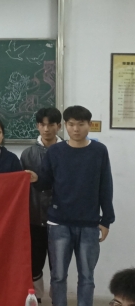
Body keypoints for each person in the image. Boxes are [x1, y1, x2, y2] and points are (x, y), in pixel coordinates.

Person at [32, 106, 115, 306]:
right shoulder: (55, 151)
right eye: (71, 124)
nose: (76, 129)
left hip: (89, 223)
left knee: (87, 276)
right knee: (58, 275)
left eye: (81, 124)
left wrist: (106, 220)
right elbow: (45, 183)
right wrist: (35, 179)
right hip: (59, 223)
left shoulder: (99, 151)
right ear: (65, 125)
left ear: (89, 125)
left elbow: (105, 185)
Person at [20, 107, 62, 303]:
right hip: (34, 216)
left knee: (58, 264)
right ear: (37, 126)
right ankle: (35, 298)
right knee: (34, 263)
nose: (46, 129)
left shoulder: (67, 151)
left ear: (58, 126)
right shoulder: (27, 154)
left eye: (51, 125)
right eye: (42, 125)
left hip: (61, 218)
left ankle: (58, 298)